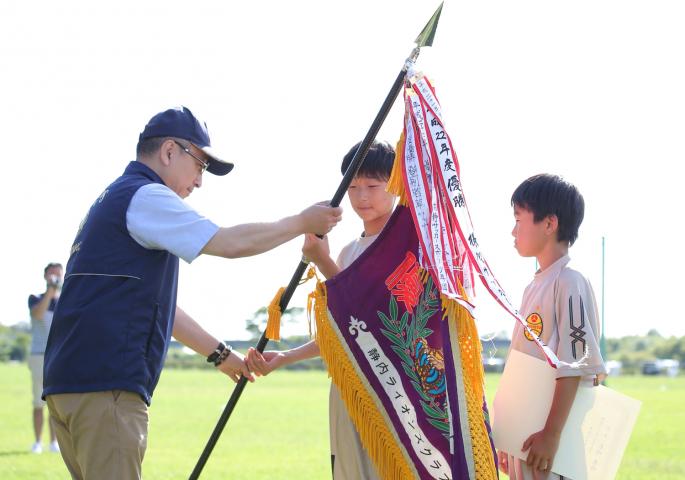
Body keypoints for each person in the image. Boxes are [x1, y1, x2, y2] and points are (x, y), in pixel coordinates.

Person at [42, 106, 342, 480]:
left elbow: (161, 309)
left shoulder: (115, 200)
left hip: (69, 386)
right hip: (107, 388)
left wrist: (220, 355)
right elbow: (229, 242)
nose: (199, 182)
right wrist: (300, 223)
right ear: (169, 152)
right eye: (199, 165)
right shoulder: (146, 196)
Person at [246, 140, 395, 479]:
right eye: (353, 186)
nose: (362, 197)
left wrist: (323, 262)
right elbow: (342, 333)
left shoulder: (403, 247)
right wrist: (285, 357)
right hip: (347, 390)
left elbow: (372, 315)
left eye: (372, 186)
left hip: (390, 394)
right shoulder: (349, 252)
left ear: (395, 183)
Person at [497, 174, 608, 480]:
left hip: (551, 448)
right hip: (527, 439)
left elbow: (574, 365)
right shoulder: (534, 285)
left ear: (549, 224)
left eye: (519, 219)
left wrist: (552, 434)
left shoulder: (569, 281)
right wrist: (508, 436)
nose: (513, 230)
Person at [27, 262, 63, 454]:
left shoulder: (65, 301)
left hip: (58, 357)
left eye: (59, 275)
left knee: (56, 403)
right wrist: (50, 291)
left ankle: (54, 442)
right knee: (38, 402)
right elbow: (38, 314)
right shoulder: (35, 298)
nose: (56, 279)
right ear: (45, 277)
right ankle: (37, 442)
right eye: (52, 275)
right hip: (38, 356)